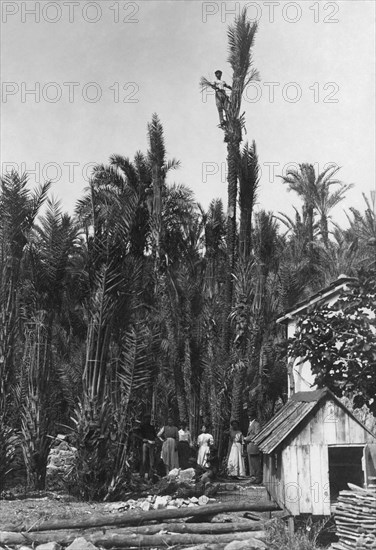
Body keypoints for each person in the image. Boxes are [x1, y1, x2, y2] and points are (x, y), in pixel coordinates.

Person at [244, 408, 262, 483]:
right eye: (248, 415)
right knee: (251, 463)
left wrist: (246, 438)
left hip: (254, 446)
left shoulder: (256, 424)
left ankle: (257, 478)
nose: (249, 417)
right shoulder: (250, 424)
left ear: (254, 416)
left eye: (251, 415)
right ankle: (253, 477)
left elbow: (257, 435)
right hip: (249, 446)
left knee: (255, 463)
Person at [139, 413, 157, 480]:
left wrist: (155, 441)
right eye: (147, 419)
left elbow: (154, 435)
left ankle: (150, 474)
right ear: (144, 419)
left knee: (151, 459)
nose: (148, 420)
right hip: (145, 444)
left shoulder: (151, 427)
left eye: (149, 419)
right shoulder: (142, 426)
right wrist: (143, 439)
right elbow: (139, 435)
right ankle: (142, 474)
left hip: (151, 444)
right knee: (144, 459)